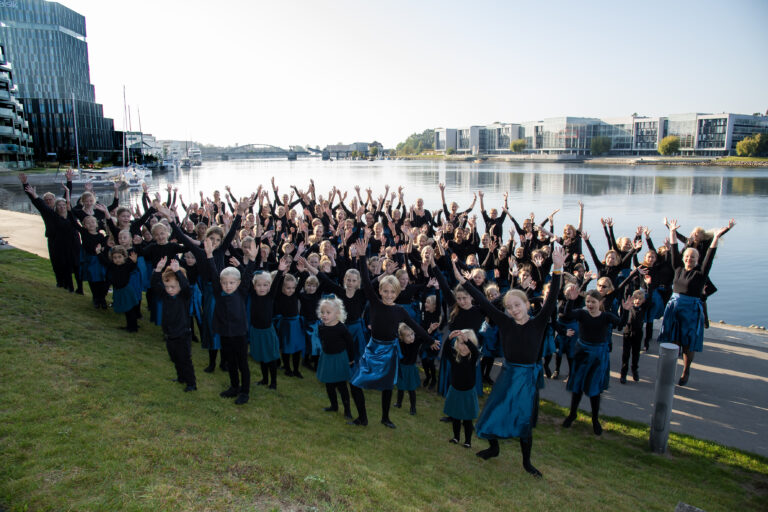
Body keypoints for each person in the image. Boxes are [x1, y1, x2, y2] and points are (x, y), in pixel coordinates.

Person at [455, 245, 565, 477]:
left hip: (527, 378)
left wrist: (557, 268)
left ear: (527, 305)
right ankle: (493, 448)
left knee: (523, 419)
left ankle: (527, 462)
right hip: (507, 374)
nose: (514, 309)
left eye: (518, 305)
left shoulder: (539, 321)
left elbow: (553, 296)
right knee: (495, 410)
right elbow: (483, 302)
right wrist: (462, 282)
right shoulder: (504, 322)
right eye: (509, 306)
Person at [348, 239, 431, 429]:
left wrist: (430, 339)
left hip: (390, 351)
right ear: (380, 291)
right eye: (385, 291)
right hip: (373, 348)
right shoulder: (375, 302)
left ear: (397, 292)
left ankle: (385, 418)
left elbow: (416, 327)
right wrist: (361, 256)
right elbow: (367, 282)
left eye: (391, 292)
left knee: (387, 386)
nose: (388, 295)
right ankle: (362, 418)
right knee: (354, 383)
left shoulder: (400, 311)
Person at [658, 218, 733, 385]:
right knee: (673, 341)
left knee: (688, 343)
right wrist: (671, 231)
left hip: (691, 309)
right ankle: (671, 370)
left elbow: (710, 256)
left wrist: (715, 238)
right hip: (675, 306)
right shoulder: (678, 268)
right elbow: (675, 248)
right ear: (683, 258)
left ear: (697, 259)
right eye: (687, 256)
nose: (689, 259)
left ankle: (686, 370)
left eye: (693, 257)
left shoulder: (701, 273)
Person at [562, 290, 632, 435]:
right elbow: (567, 314)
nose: (590, 304)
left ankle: (595, 419)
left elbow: (621, 323)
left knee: (594, 389)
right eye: (588, 301)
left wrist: (625, 311)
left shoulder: (606, 317)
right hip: (582, 352)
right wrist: (571, 300)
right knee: (577, 387)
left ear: (600, 303)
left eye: (593, 302)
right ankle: (572, 414)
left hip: (598, 355)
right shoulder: (582, 314)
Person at [205, 237, 253, 405]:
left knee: (242, 363)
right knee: (230, 361)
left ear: (238, 283)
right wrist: (209, 255)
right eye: (225, 283)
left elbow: (247, 276)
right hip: (225, 332)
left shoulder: (241, 292)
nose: (228, 286)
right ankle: (234, 386)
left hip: (239, 333)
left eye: (232, 283)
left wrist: (252, 260)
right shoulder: (219, 292)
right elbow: (213, 272)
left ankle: (245, 392)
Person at [151, 256, 196, 392]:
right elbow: (154, 285)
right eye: (167, 287)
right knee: (175, 358)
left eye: (173, 287)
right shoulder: (165, 295)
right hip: (170, 333)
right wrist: (158, 269)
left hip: (182, 334)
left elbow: (186, 287)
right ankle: (180, 377)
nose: (169, 290)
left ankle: (191, 383)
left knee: (184, 359)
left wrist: (177, 272)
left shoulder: (184, 296)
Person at [316, 296, 355, 419]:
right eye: (322, 312)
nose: (324, 315)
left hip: (339, 359)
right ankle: (334, 406)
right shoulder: (321, 327)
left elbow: (350, 344)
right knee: (329, 384)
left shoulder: (341, 328)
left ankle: (347, 410)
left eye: (328, 312)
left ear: (337, 313)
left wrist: (351, 359)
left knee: (341, 385)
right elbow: (322, 340)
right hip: (327, 358)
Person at [443, 329, 480, 448]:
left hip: (467, 393)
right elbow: (446, 350)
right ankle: (456, 437)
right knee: (456, 417)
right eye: (460, 342)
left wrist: (467, 341)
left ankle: (468, 441)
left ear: (471, 344)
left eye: (465, 343)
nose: (462, 346)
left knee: (467, 419)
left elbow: (476, 352)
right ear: (456, 344)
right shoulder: (454, 356)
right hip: (455, 391)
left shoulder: (472, 358)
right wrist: (449, 339)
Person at [619, 289, 648, 384]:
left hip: (638, 333)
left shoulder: (643, 308)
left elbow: (650, 300)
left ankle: (634, 369)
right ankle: (623, 373)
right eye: (635, 298)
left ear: (643, 300)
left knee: (636, 354)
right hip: (627, 333)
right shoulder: (629, 307)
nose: (637, 301)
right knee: (626, 354)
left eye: (640, 299)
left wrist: (649, 285)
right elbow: (625, 293)